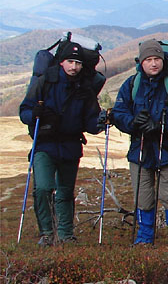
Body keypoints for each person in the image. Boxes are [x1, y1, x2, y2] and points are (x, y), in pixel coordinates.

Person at [19, 40, 104, 245]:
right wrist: (34, 114)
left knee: (65, 191)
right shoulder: (45, 82)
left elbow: (90, 120)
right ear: (61, 62)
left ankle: (65, 235)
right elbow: (24, 111)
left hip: (71, 146)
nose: (74, 67)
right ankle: (47, 233)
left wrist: (102, 122)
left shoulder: (85, 88)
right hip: (45, 145)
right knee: (43, 188)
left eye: (78, 63)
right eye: (70, 62)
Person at [112, 39, 168, 245]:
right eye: (149, 59)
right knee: (143, 197)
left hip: (167, 149)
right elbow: (119, 113)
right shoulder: (132, 84)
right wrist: (133, 122)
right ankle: (144, 238)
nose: (154, 63)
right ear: (141, 62)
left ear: (164, 60)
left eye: (157, 58)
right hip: (139, 149)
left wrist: (162, 125)